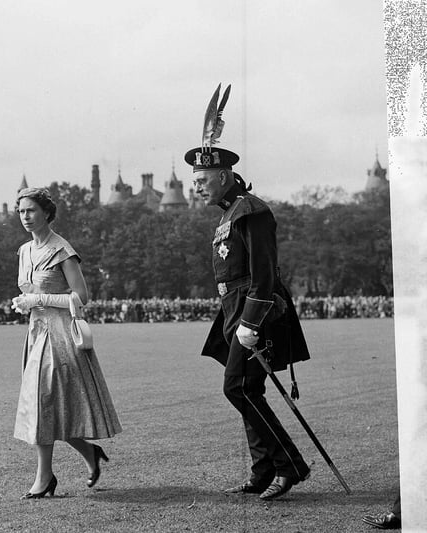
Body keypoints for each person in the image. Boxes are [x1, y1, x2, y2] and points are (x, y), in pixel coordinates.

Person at [185, 84, 311, 500]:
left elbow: (263, 273)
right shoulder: (228, 213)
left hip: (256, 311)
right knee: (245, 387)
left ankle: (288, 465)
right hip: (232, 308)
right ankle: (261, 470)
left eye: (202, 180)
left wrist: (251, 322)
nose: (197, 188)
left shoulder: (252, 211)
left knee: (238, 387)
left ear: (223, 177)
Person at [11, 187, 122, 499]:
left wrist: (39, 298)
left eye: (31, 211)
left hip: (60, 337)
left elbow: (81, 297)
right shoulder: (24, 251)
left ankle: (44, 477)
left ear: (47, 213)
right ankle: (88, 453)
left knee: (45, 403)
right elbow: (31, 291)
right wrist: (25, 302)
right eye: (21, 212)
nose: (25, 217)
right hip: (36, 334)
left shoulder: (61, 249)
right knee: (48, 406)